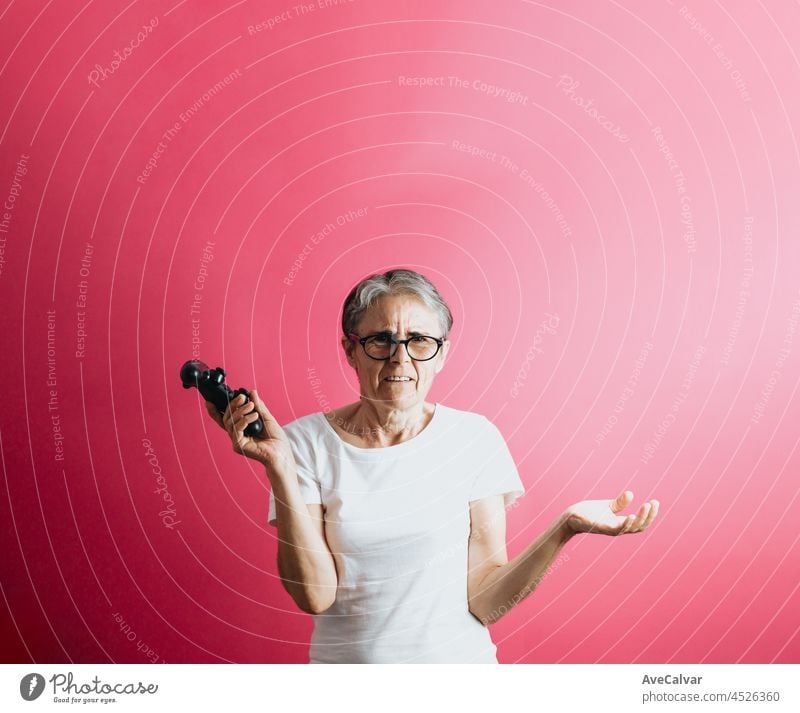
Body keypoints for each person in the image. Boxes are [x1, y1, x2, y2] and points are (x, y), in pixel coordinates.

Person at [205, 269, 659, 663]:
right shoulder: (301, 443)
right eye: (381, 340)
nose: (400, 358)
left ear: (441, 352)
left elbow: (485, 600)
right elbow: (315, 596)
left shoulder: (474, 439)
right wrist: (280, 466)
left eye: (419, 340)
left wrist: (565, 527)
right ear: (350, 349)